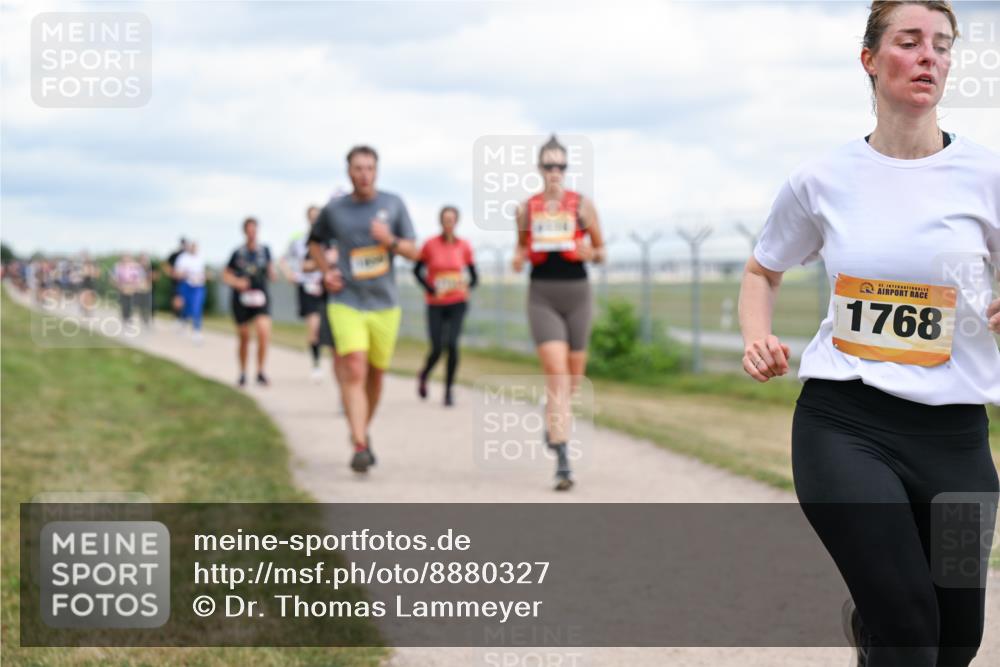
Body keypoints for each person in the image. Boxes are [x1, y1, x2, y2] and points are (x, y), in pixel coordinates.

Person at [738, 3, 1000, 665]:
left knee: (957, 641)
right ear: (870, 60)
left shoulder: (986, 177)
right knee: (912, 630)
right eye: (909, 42)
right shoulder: (822, 179)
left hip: (956, 436)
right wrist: (756, 335)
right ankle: (884, 625)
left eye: (942, 45)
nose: (929, 57)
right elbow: (762, 268)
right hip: (845, 425)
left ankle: (871, 627)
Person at [308, 145, 419, 474]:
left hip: (384, 304)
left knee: (376, 375)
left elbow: (414, 251)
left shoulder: (393, 204)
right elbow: (315, 243)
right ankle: (359, 444)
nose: (364, 174)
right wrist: (325, 272)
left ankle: (361, 430)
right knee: (354, 367)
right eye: (358, 168)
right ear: (348, 172)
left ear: (377, 171)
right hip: (347, 302)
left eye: (370, 168)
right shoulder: (334, 210)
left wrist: (390, 241)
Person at [512, 134, 606, 491]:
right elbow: (520, 250)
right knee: (557, 373)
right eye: (549, 165)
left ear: (566, 169)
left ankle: (552, 423)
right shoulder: (526, 209)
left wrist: (590, 253)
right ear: (540, 168)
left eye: (561, 165)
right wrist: (518, 259)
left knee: (574, 382)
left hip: (577, 293)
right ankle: (564, 461)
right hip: (542, 294)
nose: (555, 171)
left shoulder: (582, 206)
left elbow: (602, 252)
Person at [413, 205, 478, 406]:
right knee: (437, 347)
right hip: (435, 304)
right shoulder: (430, 245)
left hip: (458, 301)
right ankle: (424, 374)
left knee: (452, 344)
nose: (448, 223)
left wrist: (465, 285)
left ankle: (448, 390)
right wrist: (430, 288)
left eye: (452, 219)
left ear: (456, 222)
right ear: (440, 221)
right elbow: (417, 271)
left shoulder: (464, 245)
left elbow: (474, 276)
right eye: (445, 219)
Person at [222, 218, 275, 387]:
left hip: (260, 298)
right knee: (244, 337)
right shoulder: (237, 253)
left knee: (263, 333)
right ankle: (243, 372)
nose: (252, 233)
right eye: (249, 230)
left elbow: (271, 273)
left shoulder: (265, 251)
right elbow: (226, 275)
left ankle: (260, 371)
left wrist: (273, 272)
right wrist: (237, 283)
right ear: (245, 232)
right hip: (241, 300)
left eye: (254, 230)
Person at [281, 205, 327, 382]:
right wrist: (289, 274)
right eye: (312, 216)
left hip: (325, 287)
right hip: (307, 287)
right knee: (314, 327)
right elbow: (285, 259)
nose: (315, 219)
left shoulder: (328, 238)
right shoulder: (298, 239)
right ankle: (316, 364)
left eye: (318, 216)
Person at [175, 242, 208, 342]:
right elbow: (177, 273)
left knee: (197, 307)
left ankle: (196, 330)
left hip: (198, 286)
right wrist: (186, 274)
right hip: (186, 284)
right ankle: (183, 322)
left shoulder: (200, 258)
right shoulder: (183, 258)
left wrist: (203, 277)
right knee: (186, 306)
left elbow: (203, 273)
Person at [111, 253, 143, 323]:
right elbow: (114, 277)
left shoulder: (135, 266)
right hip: (122, 285)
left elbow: (138, 277)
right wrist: (118, 285)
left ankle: (129, 316)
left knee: (131, 302)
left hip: (132, 286)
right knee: (124, 302)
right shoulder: (117, 266)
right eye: (124, 258)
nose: (126, 260)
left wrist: (136, 286)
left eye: (127, 258)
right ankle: (125, 316)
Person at [166, 238, 188, 327]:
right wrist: (172, 274)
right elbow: (166, 265)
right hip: (176, 281)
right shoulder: (175, 254)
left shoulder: (187, 255)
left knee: (184, 300)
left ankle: (182, 317)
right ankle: (177, 317)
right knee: (176, 299)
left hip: (186, 281)